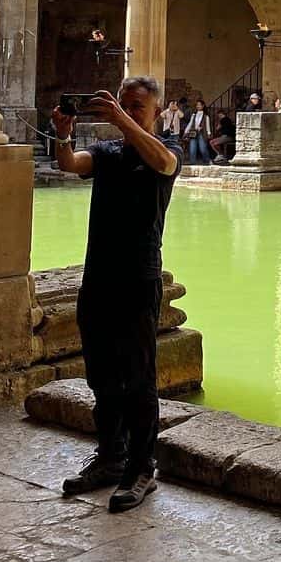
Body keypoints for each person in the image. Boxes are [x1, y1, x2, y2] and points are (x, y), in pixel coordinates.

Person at [51, 78, 182, 512]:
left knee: (139, 378)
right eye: (123, 104)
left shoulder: (165, 153)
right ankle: (110, 457)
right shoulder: (107, 155)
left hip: (138, 279)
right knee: (102, 376)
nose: (126, 110)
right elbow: (70, 164)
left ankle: (143, 467)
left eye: (137, 106)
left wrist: (122, 121)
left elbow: (163, 164)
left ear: (156, 112)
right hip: (99, 278)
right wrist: (64, 133)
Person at [183, 98, 212, 163]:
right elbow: (190, 123)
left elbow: (208, 125)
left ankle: (207, 160)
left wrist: (209, 133)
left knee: (203, 148)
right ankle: (192, 162)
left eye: (199, 105)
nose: (198, 106)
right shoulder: (194, 115)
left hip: (202, 133)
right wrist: (186, 131)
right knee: (192, 148)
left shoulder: (206, 116)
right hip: (193, 133)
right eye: (197, 105)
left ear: (203, 106)